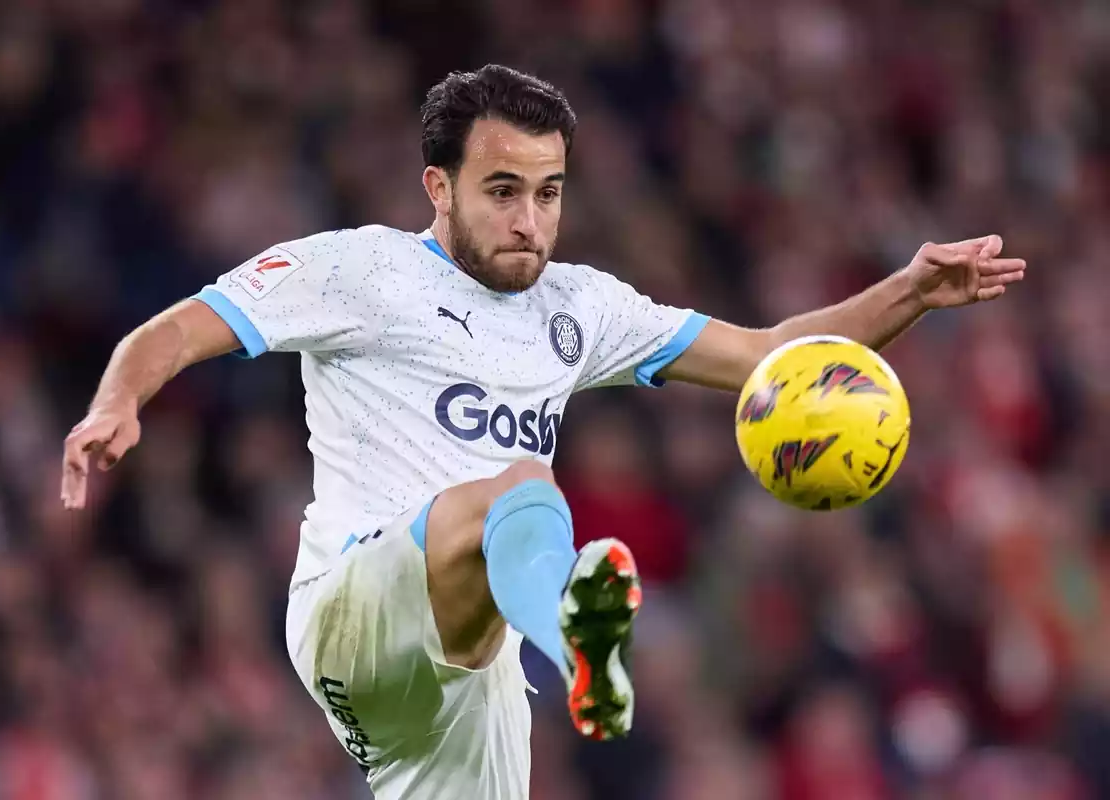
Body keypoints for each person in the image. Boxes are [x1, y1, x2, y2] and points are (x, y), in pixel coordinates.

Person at [59, 64, 1026, 799]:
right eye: (503, 191)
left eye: (549, 192)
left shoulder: (580, 308)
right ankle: (576, 644)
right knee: (523, 486)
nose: (530, 220)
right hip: (355, 613)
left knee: (516, 506)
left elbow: (770, 355)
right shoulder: (363, 272)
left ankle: (562, 641)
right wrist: (119, 400)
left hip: (467, 681)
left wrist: (913, 292)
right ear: (438, 188)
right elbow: (184, 324)